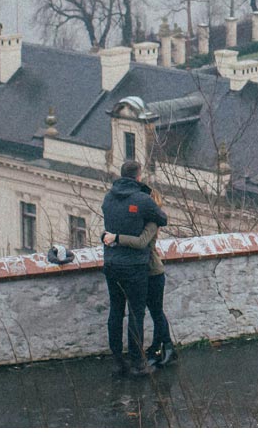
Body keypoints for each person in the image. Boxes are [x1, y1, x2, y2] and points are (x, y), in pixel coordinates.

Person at [101, 160, 166, 377]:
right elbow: (162, 218)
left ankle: (117, 361)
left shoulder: (108, 198)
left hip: (111, 263)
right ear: (138, 177)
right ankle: (138, 363)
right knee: (136, 314)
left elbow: (112, 225)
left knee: (115, 311)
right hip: (135, 266)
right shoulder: (142, 200)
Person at [113, 182, 175, 367]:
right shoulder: (141, 219)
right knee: (153, 310)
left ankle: (168, 347)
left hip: (153, 271)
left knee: (156, 311)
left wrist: (117, 238)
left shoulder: (152, 222)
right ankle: (158, 346)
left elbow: (142, 242)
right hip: (142, 271)